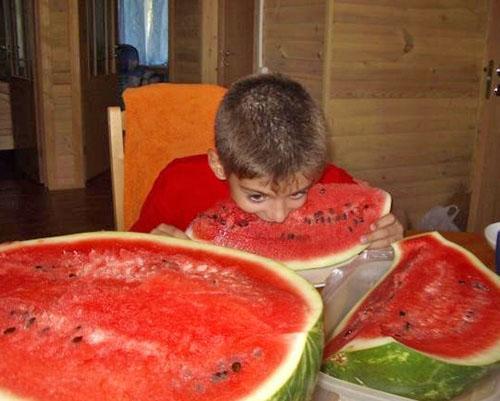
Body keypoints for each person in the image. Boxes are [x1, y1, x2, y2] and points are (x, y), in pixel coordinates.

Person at [131, 73, 403, 249]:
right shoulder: (179, 181)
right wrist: (157, 249)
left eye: (297, 193)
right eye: (258, 197)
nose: (278, 215)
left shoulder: (330, 181)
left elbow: (382, 219)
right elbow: (133, 246)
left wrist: (389, 233)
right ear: (219, 164)